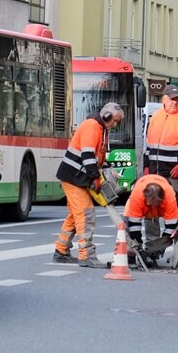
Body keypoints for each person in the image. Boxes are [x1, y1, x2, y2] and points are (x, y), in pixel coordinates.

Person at [54, 101, 123, 268]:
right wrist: (95, 179)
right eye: (115, 120)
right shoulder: (92, 127)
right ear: (106, 116)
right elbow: (88, 156)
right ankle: (86, 255)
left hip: (76, 176)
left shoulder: (100, 129)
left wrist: (106, 170)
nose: (115, 124)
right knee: (86, 213)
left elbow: (97, 157)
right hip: (74, 177)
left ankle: (61, 250)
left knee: (75, 214)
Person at [143, 84, 178, 243]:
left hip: (176, 175)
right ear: (164, 99)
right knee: (151, 208)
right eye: (172, 99)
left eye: (177, 99)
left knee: (177, 211)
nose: (175, 102)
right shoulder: (156, 118)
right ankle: (152, 245)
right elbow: (149, 146)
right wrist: (147, 167)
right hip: (156, 173)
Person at [123, 173, 178, 267]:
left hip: (163, 203)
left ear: (161, 199)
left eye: (155, 204)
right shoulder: (137, 195)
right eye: (150, 204)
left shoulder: (169, 196)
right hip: (140, 203)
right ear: (145, 198)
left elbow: (171, 226)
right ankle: (129, 254)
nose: (153, 207)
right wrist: (139, 248)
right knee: (126, 223)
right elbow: (134, 225)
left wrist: (162, 244)